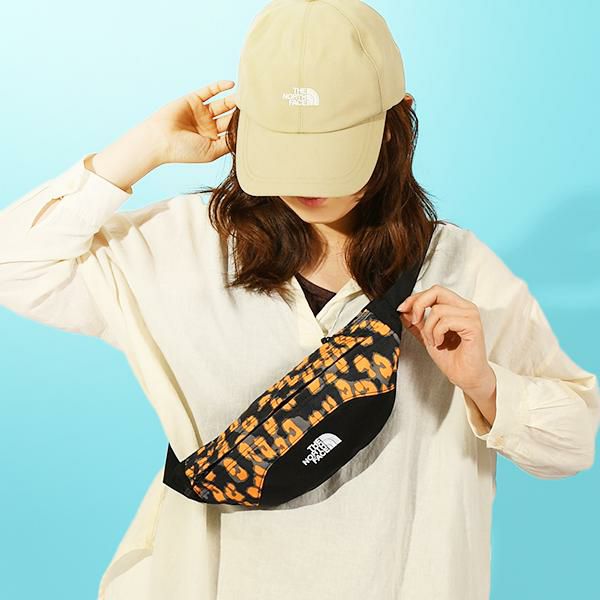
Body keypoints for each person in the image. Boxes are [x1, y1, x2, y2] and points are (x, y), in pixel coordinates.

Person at [1, 1, 599, 599]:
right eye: (286, 148)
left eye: (332, 151)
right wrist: (142, 150)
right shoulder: (182, 245)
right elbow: (15, 265)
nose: (309, 182)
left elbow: (572, 444)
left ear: (394, 126)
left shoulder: (459, 268)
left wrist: (484, 386)